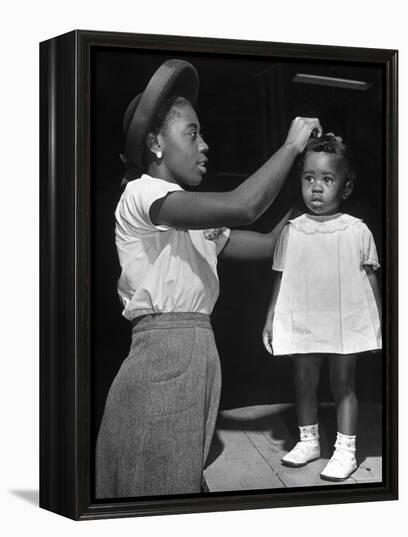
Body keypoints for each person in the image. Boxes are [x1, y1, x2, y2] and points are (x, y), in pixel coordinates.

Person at [95, 58, 322, 498]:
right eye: (192, 133)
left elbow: (270, 243)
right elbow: (243, 205)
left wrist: (309, 192)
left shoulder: (192, 219)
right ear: (156, 144)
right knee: (155, 495)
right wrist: (291, 146)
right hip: (162, 358)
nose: (205, 146)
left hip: (198, 354)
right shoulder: (143, 194)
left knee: (175, 486)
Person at [263, 134, 382, 481]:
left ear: (345, 188)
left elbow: (371, 279)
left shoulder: (357, 230)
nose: (316, 187)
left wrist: (378, 324)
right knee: (303, 380)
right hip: (305, 316)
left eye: (327, 180)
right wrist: (271, 316)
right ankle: (308, 440)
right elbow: (281, 276)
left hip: (344, 319)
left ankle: (345, 451)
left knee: (343, 382)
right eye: (309, 178)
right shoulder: (292, 230)